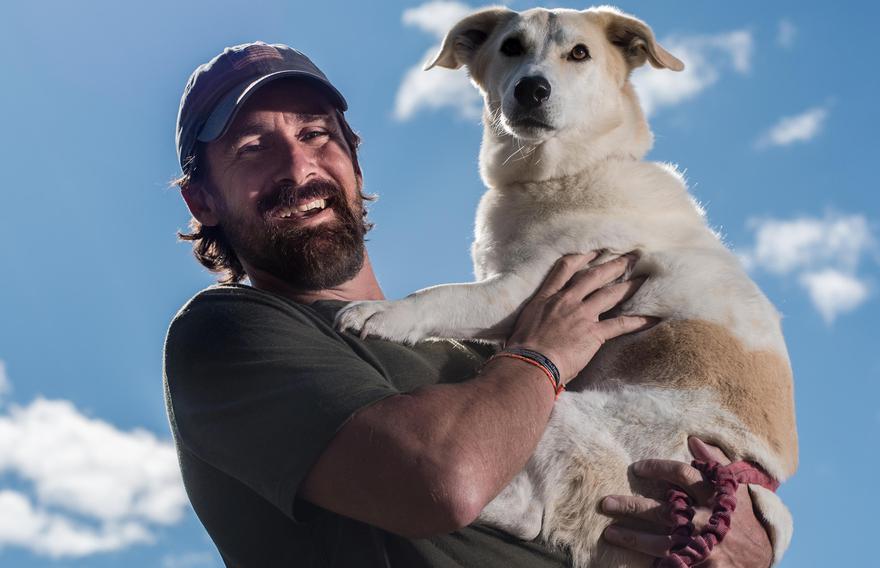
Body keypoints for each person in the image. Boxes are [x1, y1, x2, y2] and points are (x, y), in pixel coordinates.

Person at [164, 42, 775, 567]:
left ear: (352, 155)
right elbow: (439, 482)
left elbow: (664, 460)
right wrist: (542, 355)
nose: (298, 168)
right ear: (202, 202)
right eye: (252, 149)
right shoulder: (226, 334)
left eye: (316, 134)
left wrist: (746, 531)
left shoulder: (486, 353)